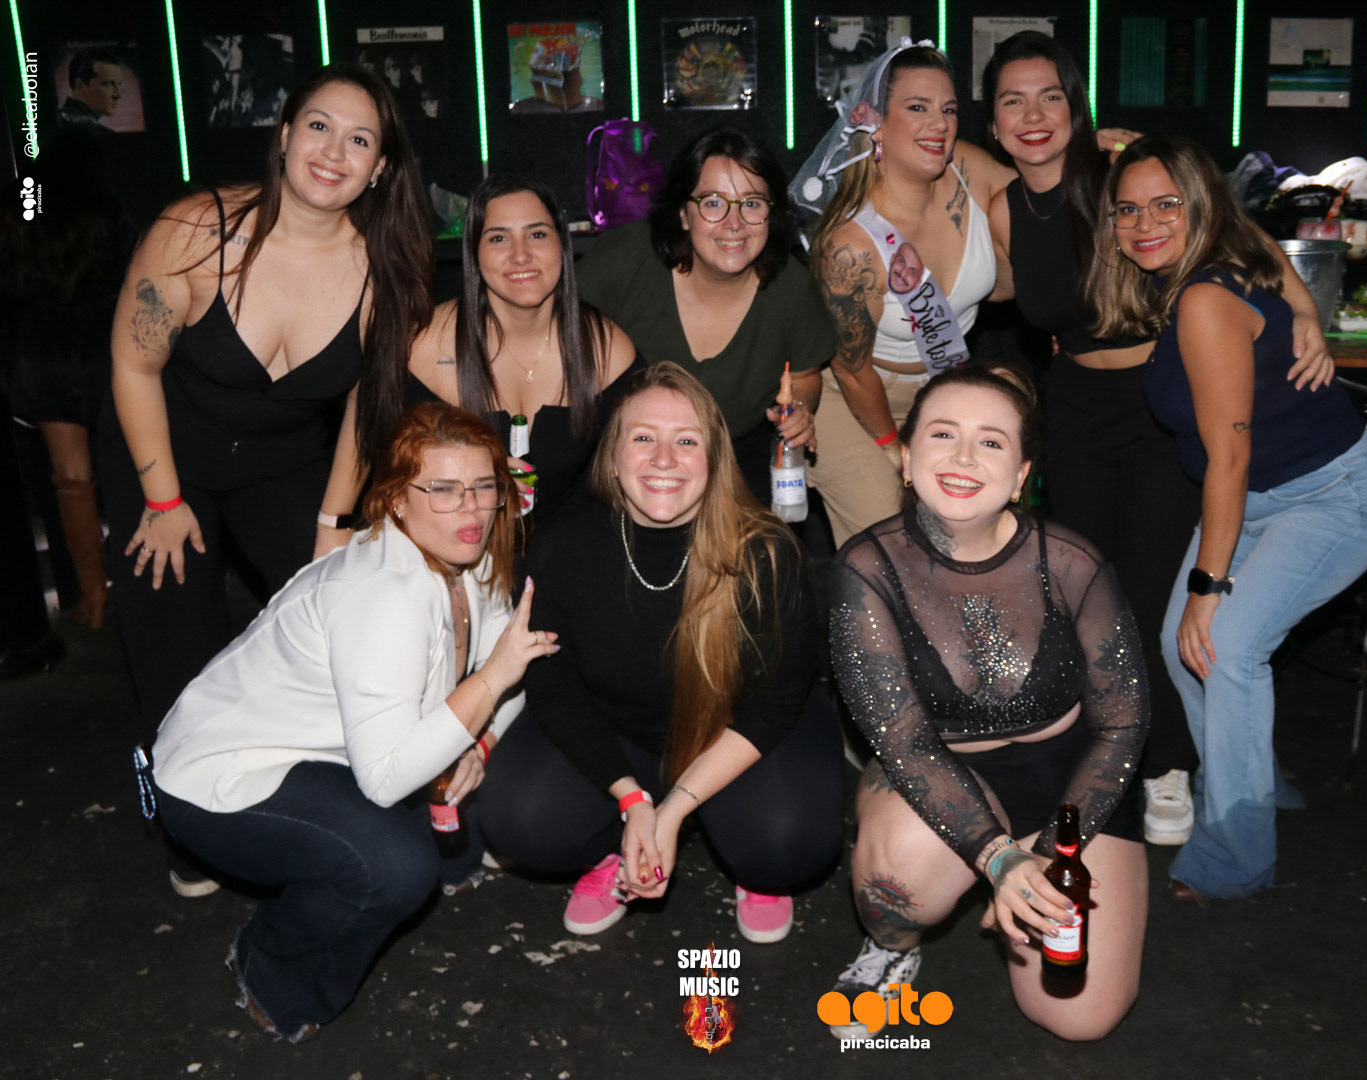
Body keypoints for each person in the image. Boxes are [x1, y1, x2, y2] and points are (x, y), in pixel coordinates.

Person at [980, 31, 1335, 846]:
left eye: (1050, 96)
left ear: (1076, 108)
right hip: (1072, 409)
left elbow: (1233, 234)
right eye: (1012, 101)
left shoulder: (1121, 174)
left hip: (1157, 400)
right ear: (993, 124)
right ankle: (1102, 746)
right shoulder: (1002, 209)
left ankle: (1168, 763)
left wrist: (1305, 312)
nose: (1033, 115)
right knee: (1085, 597)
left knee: (1148, 595)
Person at [99, 63, 433, 892]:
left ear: (380, 168)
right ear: (284, 135)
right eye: (319, 126)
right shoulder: (197, 229)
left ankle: (333, 783)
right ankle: (183, 821)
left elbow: (363, 407)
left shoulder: (383, 265)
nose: (334, 152)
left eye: (360, 140)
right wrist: (164, 499)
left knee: (348, 610)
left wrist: (333, 524)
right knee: (174, 639)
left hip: (281, 463)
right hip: (163, 451)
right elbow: (133, 367)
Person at [148, 402, 555, 1041]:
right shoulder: (383, 595)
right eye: (443, 489)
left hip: (324, 752)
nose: (471, 509)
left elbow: (516, 660)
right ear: (395, 501)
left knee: (450, 819)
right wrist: (490, 681)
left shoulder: (467, 553)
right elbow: (390, 775)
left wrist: (483, 739)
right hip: (217, 775)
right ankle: (269, 970)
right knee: (391, 868)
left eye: (483, 486)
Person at [1090, 134, 1367, 901]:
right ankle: (1250, 777)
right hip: (1259, 498)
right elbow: (1258, 237)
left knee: (1221, 645)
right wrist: (1305, 308)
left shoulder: (1202, 298)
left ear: (1200, 208)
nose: (1145, 223)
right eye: (1128, 209)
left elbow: (1228, 459)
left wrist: (1207, 586)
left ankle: (1236, 854)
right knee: (1181, 648)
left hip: (1331, 496)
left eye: (1166, 204)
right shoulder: (1205, 268)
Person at [826, 364, 1149, 1040]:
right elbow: (903, 741)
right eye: (943, 434)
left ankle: (1022, 868)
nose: (965, 456)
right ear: (907, 457)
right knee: (902, 871)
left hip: (1074, 780)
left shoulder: (1073, 563)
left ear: (1022, 473)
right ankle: (894, 946)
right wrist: (1000, 857)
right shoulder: (866, 568)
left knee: (1079, 1018)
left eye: (992, 441)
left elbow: (1123, 724)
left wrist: (1054, 856)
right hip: (939, 769)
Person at [478, 363, 844, 944]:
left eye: (687, 441)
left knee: (783, 845)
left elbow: (774, 704)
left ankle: (744, 856)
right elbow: (555, 687)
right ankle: (620, 843)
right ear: (612, 456)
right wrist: (632, 800)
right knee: (520, 820)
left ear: (715, 458)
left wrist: (674, 809)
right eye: (644, 437)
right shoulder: (565, 546)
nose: (664, 459)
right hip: (622, 731)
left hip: (738, 735)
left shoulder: (767, 552)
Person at [315, 174, 639, 554]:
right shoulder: (426, 343)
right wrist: (333, 522)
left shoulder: (604, 348)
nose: (521, 255)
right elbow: (365, 413)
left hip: (563, 551)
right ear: (474, 252)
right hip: (443, 551)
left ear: (562, 245)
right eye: (498, 238)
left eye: (537, 234)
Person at [796, 41, 1013, 547]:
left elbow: (1045, 202)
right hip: (850, 401)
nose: (939, 124)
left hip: (939, 392)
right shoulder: (851, 244)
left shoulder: (970, 168)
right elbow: (852, 371)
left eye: (949, 109)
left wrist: (1083, 154)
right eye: (918, 107)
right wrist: (894, 448)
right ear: (875, 123)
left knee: (961, 540)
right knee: (896, 543)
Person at [575, 128, 834, 507]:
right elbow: (556, 340)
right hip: (623, 468)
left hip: (735, 466)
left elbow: (804, 376)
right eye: (713, 203)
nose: (734, 223)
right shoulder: (624, 261)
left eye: (752, 203)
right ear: (683, 214)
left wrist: (799, 409)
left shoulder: (792, 287)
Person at [7, 127, 133, 628]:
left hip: (45, 356)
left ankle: (92, 596)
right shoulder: (108, 210)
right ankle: (140, 589)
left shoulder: (23, 208)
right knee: (130, 472)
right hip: (106, 351)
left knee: (72, 481)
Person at [58, 47, 122, 128]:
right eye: (108, 84)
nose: (118, 95)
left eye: (119, 84)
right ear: (80, 85)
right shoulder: (96, 131)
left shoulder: (58, 118)